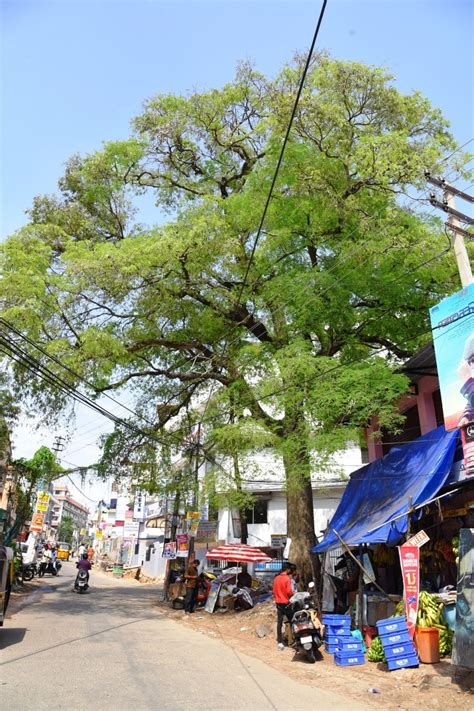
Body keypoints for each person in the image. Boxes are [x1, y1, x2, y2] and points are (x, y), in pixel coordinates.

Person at [273, 564, 295, 650]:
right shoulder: (287, 578)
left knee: (279, 623)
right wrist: (292, 596)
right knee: (292, 621)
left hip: (278, 603)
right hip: (286, 603)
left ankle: (280, 642)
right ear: (288, 569)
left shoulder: (276, 578)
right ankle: (293, 640)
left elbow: (274, 591)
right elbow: (289, 592)